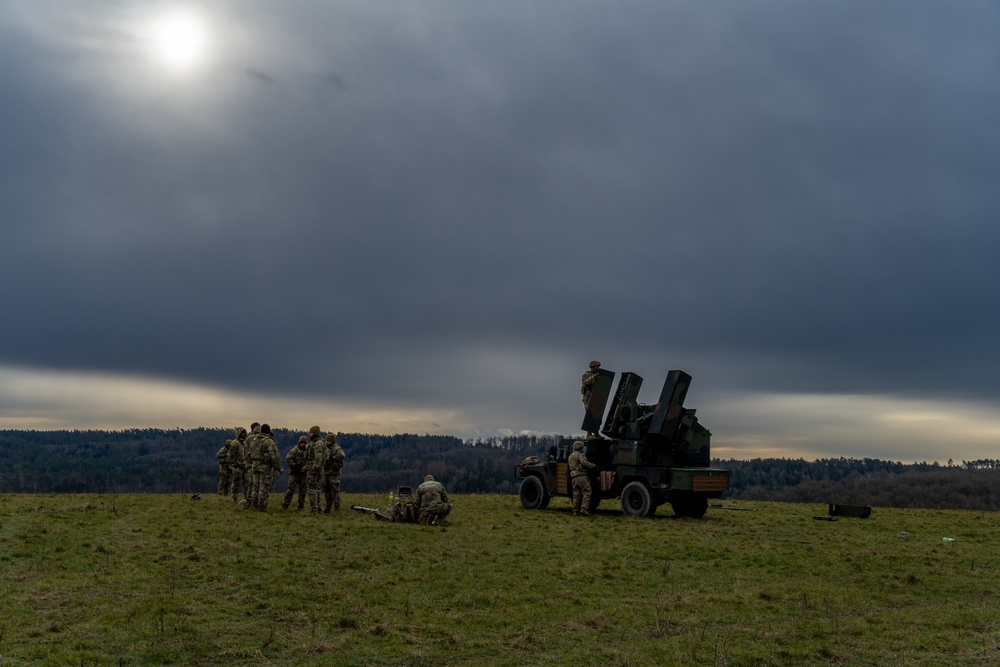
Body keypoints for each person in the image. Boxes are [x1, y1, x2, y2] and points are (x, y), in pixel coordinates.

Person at [248, 423, 283, 511]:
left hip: (255, 466)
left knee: (255, 487)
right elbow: (274, 456)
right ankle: (261, 506)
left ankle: (253, 504)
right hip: (265, 467)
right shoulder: (268, 441)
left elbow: (249, 454)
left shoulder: (254, 440)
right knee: (264, 487)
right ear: (268, 431)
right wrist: (278, 468)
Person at [568, 440, 597, 516]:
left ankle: (575, 510)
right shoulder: (579, 455)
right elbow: (584, 463)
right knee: (587, 491)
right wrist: (593, 466)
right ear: (580, 448)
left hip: (574, 477)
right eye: (582, 447)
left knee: (576, 494)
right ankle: (584, 509)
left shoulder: (571, 456)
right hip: (582, 476)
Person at [304, 426, 327, 514]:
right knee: (316, 489)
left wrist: (314, 468)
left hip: (314, 470)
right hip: (315, 469)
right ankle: (319, 509)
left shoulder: (318, 443)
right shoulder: (318, 442)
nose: (309, 435)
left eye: (310, 433)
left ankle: (314, 509)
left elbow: (318, 457)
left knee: (312, 489)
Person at [281, 436, 308, 510]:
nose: (303, 444)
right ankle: (285, 504)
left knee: (303, 491)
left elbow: (310, 460)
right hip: (294, 473)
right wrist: (294, 465)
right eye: (302, 443)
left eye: (304, 443)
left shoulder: (308, 451)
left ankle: (301, 506)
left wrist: (305, 467)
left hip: (303, 474)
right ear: (299, 443)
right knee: (290, 490)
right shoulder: (294, 450)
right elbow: (288, 458)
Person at [322, 433, 345, 513]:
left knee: (334, 490)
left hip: (334, 473)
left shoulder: (336, 448)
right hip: (327, 472)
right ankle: (328, 506)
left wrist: (333, 458)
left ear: (331, 441)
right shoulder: (327, 449)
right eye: (326, 440)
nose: (326, 442)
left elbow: (342, 455)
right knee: (327, 490)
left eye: (328, 441)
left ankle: (336, 506)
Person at [228, 427, 251, 503]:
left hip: (245, 466)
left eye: (244, 433)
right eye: (242, 433)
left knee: (247, 483)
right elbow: (231, 455)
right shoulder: (234, 443)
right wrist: (234, 465)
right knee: (236, 483)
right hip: (237, 467)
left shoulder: (244, 443)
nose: (243, 434)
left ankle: (247, 498)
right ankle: (234, 498)